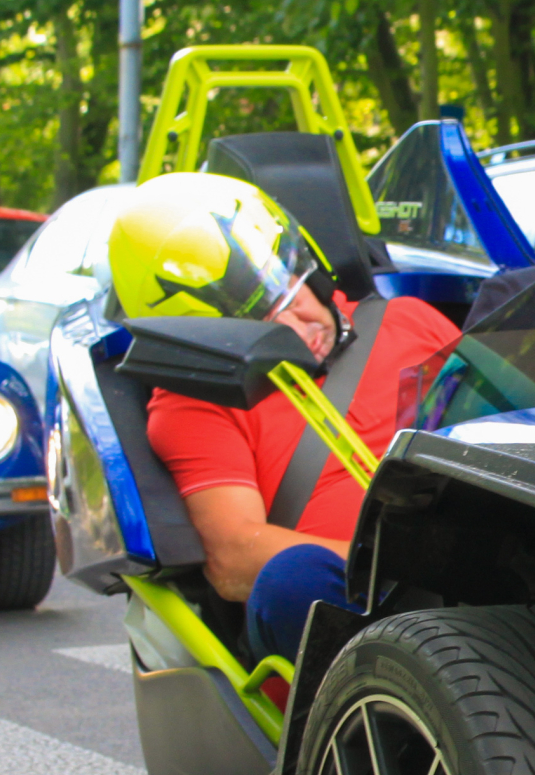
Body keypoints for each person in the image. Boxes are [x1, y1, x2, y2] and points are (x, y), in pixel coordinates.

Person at [106, 171, 461, 660]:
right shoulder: (194, 404)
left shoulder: (407, 321)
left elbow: (509, 431)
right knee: (293, 579)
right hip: (359, 610)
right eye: (262, 324)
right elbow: (234, 558)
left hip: (484, 567)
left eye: (290, 291)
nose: (300, 326)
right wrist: (407, 568)